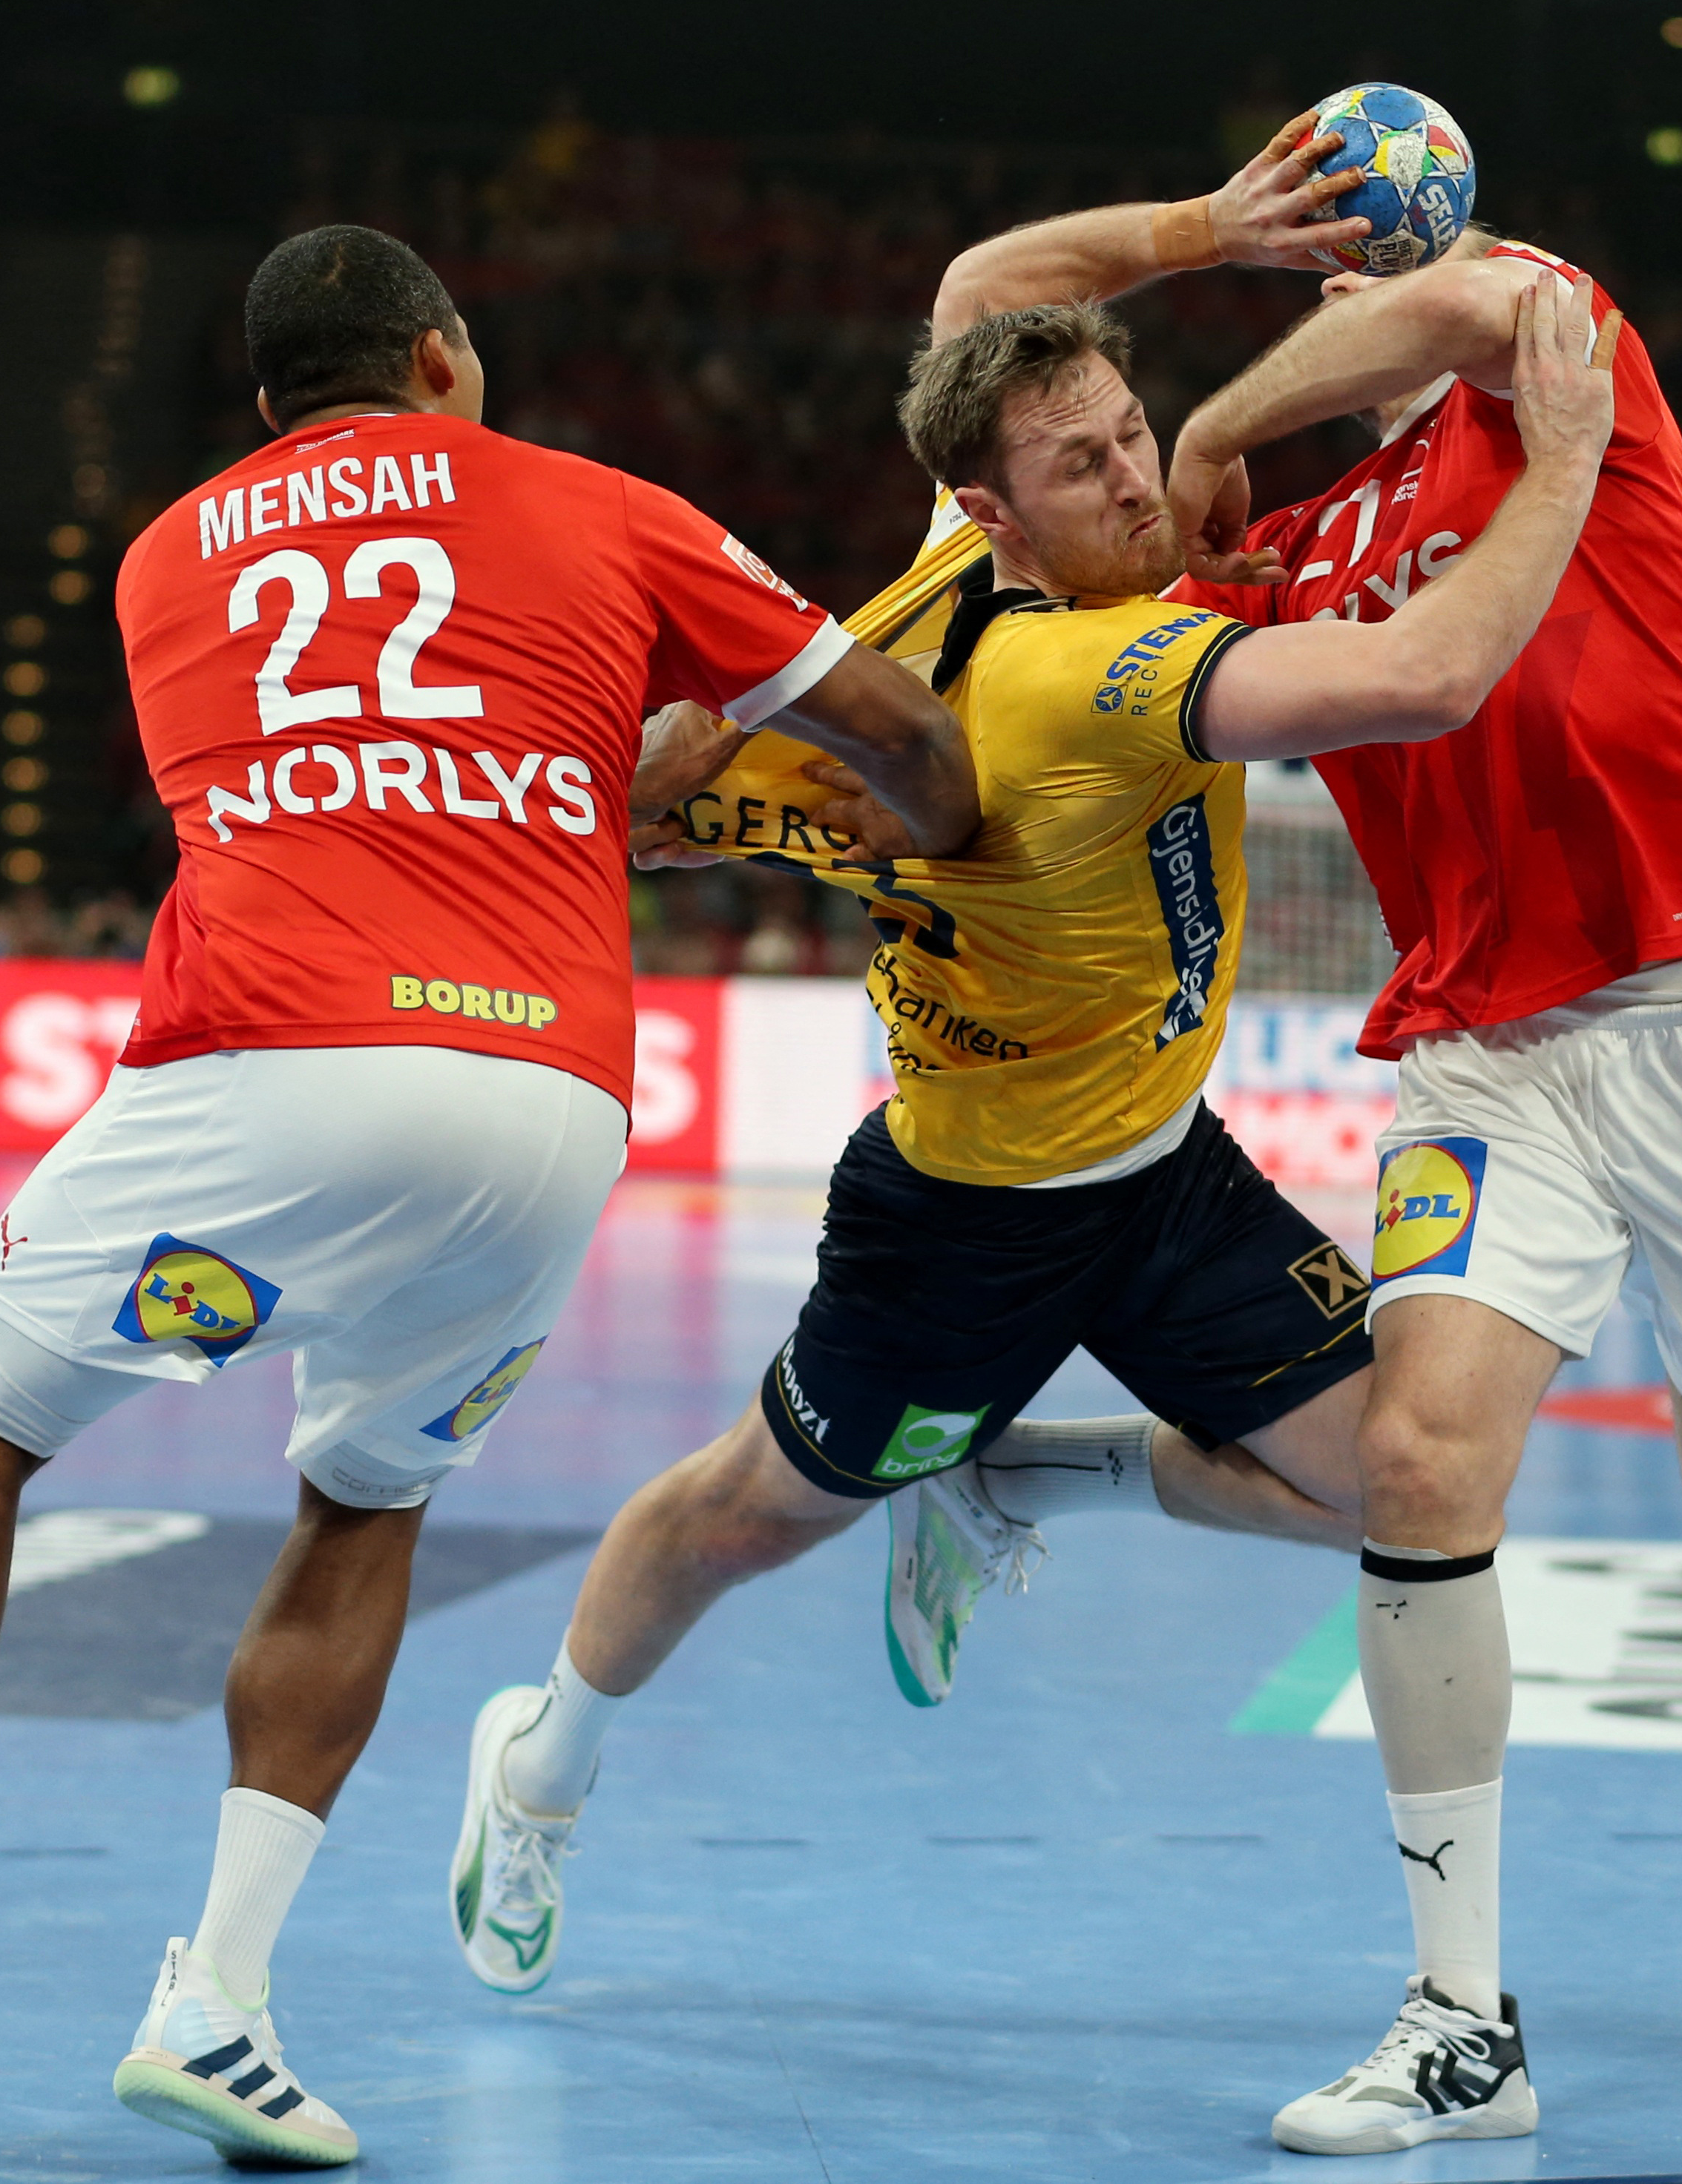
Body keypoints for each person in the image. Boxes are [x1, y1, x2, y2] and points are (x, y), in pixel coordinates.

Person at [0, 223, 976, 2168]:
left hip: (259, 1066)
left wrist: (575, 784)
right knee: (364, 1502)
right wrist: (923, 846)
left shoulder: (165, 554)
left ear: (273, 400)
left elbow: (372, 762)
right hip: (541, 1098)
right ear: (439, 356)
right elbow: (906, 747)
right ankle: (223, 2005)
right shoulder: (601, 507)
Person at [441, 138, 1620, 2022]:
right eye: (1089, 467)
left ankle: (1011, 1479)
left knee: (1398, 1485)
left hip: (1156, 1174)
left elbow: (990, 277)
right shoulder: (1086, 675)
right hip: (959, 1222)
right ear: (994, 514)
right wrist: (1565, 450)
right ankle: (542, 1759)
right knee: (740, 1513)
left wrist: (1212, 235)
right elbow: (1429, 674)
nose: (1143, 471)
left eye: (1136, 429)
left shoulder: (943, 566)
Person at [1161, 177, 1682, 2150]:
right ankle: (1455, 2020)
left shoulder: (1550, 356)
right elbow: (1129, 668)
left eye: (1394, 256)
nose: (1378, 288)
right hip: (1494, 1051)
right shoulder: (1291, 555)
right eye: (1346, 262)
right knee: (1417, 1460)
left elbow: (1484, 293)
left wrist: (1211, 421)